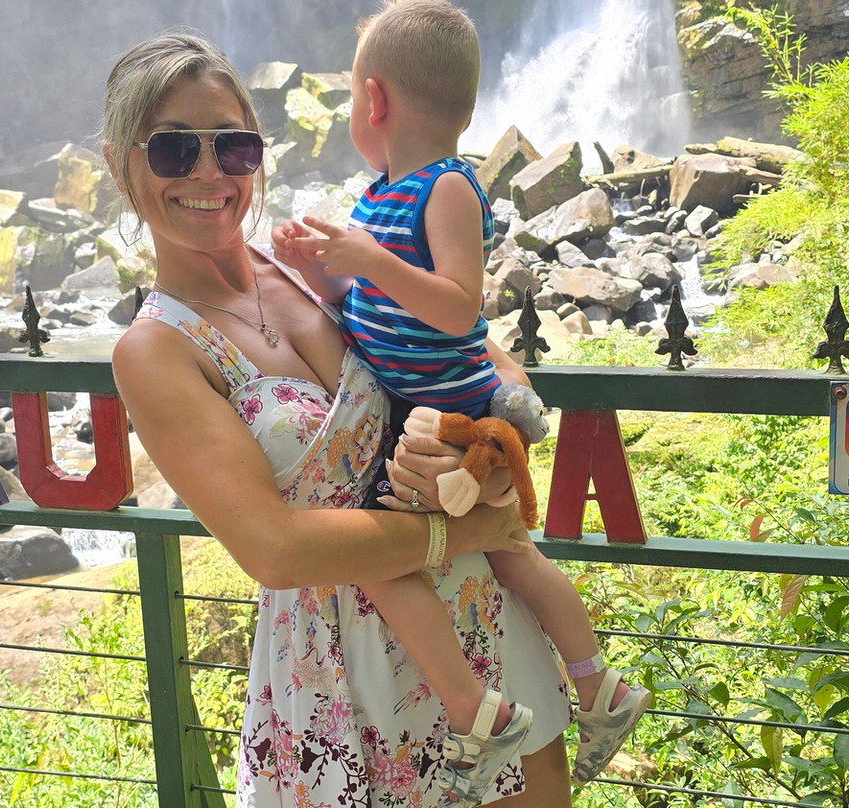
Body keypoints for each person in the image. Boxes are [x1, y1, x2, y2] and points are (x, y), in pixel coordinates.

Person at [103, 27, 578, 808]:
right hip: (342, 677)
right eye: (173, 148)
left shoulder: (313, 261)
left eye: (233, 146)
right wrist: (463, 530)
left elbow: (483, 356)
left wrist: (496, 456)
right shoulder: (156, 350)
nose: (209, 171)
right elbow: (277, 550)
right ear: (121, 164)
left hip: (484, 623)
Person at [271, 0, 650, 793]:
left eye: (351, 99)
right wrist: (320, 271)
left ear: (373, 100)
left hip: (448, 414)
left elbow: (458, 308)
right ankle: (599, 690)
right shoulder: (380, 193)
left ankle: (478, 710)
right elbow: (363, 306)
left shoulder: (447, 187)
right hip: (416, 410)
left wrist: (370, 260)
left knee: (382, 560)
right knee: (507, 552)